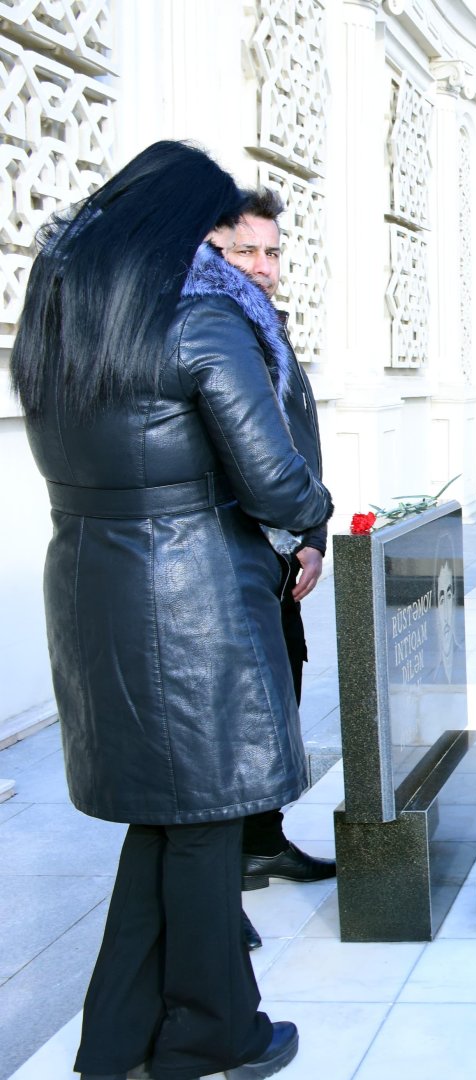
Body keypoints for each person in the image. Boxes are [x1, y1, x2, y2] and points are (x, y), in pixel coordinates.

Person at [13, 141, 329, 1079]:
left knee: (167, 821)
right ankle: (211, 1034)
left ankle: (115, 1041)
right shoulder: (198, 322)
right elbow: (273, 479)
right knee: (202, 824)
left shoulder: (62, 322)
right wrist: (310, 521)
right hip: (189, 600)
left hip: (91, 585)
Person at [216, 193, 338, 943]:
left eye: (272, 253)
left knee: (281, 690)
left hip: (282, 548)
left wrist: (313, 532)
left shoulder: (270, 329)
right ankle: (214, 879)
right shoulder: (211, 332)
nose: (264, 268)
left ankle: (262, 839)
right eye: (245, 253)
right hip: (229, 552)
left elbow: (299, 440)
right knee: (230, 715)